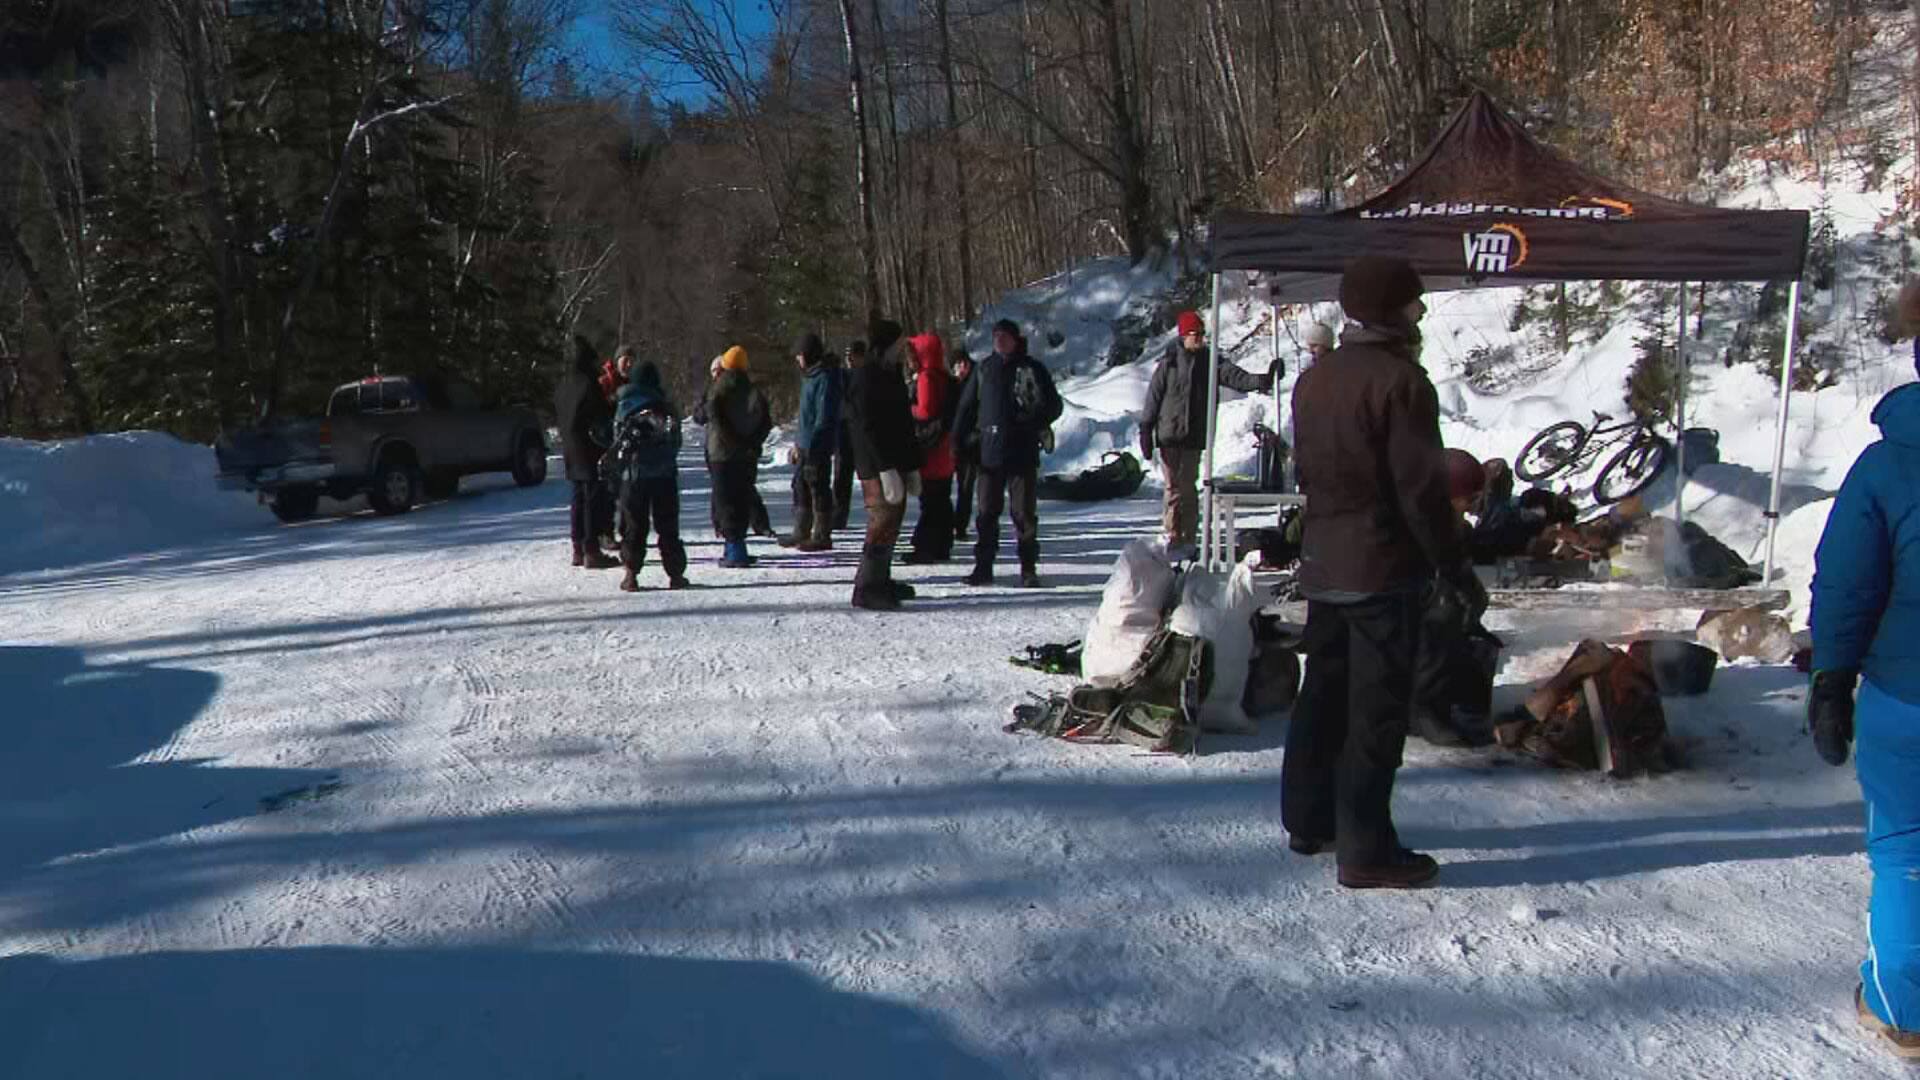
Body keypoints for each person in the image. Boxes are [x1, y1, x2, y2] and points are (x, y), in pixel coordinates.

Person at [1281, 255, 1482, 890]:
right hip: (1380, 567)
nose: (1420, 314)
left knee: (1323, 695)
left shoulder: (1315, 380)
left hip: (1324, 560)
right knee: (1376, 709)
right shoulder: (1402, 382)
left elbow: (1308, 474)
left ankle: (1310, 820)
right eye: (1414, 304)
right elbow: (1419, 491)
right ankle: (1366, 849)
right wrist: (1453, 564)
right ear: (1394, 310)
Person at [1812, 314, 1920, 1058]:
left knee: (1907, 851)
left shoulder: (1886, 469)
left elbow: (1848, 586)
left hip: (1909, 696)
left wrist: (1831, 677)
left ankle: (1903, 1009)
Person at [1138, 309, 1277, 556]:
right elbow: (1153, 397)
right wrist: (1146, 429)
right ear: (1183, 335)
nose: (1200, 338)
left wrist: (1261, 380)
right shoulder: (1169, 362)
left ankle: (1189, 537)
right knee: (1172, 489)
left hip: (1194, 436)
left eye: (1202, 334)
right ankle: (1171, 535)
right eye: (1195, 334)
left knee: (1188, 487)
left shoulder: (1209, 361)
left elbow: (1235, 376)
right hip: (1169, 435)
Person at [951, 318, 1063, 588]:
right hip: (989, 454)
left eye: (1005, 336)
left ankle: (1028, 568)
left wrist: (1032, 422)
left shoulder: (1032, 369)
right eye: (996, 336)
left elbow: (1054, 406)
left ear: (1016, 339)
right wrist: (958, 440)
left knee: (1023, 515)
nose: (1000, 341)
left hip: (1022, 454)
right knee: (986, 513)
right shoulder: (984, 370)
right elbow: (965, 409)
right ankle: (983, 567)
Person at [1410, 449, 1500, 748]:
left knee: (1476, 640)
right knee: (1443, 616)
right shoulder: (1416, 527)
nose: (1472, 505)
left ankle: (1459, 704)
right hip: (1408, 618)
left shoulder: (1455, 527)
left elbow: (1461, 573)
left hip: (1433, 612)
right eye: (1468, 497)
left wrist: (1472, 599)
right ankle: (1422, 709)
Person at [844, 317, 923, 610]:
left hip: (896, 461)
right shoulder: (865, 377)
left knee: (893, 520)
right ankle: (866, 586)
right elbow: (866, 428)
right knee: (881, 520)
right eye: (898, 345)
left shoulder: (890, 374)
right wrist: (884, 466)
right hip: (876, 466)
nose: (902, 350)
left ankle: (881, 579)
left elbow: (903, 424)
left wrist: (912, 464)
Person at [604, 360, 689, 592]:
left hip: (634, 475)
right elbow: (676, 442)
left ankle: (631, 574)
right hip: (664, 475)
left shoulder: (624, 406)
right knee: (668, 525)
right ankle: (675, 575)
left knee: (634, 526)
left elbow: (616, 441)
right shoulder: (665, 406)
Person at [703, 345, 773, 569]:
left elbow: (714, 418)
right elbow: (766, 421)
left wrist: (734, 442)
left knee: (725, 500)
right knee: (742, 499)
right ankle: (736, 546)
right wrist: (752, 443)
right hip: (747, 454)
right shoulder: (753, 390)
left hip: (722, 454)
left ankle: (734, 550)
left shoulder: (718, 389)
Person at [554, 335, 619, 569]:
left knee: (577, 497)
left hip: (570, 446)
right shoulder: (589, 382)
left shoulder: (563, 384)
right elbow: (600, 412)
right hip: (589, 445)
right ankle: (591, 549)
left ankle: (578, 548)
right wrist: (613, 404)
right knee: (593, 497)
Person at [782, 332, 841, 553]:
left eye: (799, 355)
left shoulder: (826, 377)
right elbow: (805, 415)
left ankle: (822, 534)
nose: (797, 360)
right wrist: (798, 443)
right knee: (800, 486)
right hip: (805, 443)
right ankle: (801, 530)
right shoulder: (808, 377)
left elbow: (823, 416)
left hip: (818, 443)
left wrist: (815, 445)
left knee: (818, 486)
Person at [903, 331, 956, 563]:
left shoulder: (925, 378)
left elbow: (925, 411)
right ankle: (942, 544)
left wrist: (909, 410)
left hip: (931, 449)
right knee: (941, 499)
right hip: (945, 447)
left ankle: (926, 546)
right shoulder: (943, 376)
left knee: (931, 501)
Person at [832, 341, 864, 532]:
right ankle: (838, 516)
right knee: (841, 476)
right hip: (844, 430)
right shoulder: (841, 376)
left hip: (861, 430)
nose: (849, 360)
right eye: (847, 356)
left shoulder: (866, 376)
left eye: (852, 355)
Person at [948, 347, 977, 544]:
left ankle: (960, 525)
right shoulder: (952, 385)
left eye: (962, 364)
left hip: (970, 443)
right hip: (952, 440)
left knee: (965, 486)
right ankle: (952, 523)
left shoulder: (976, 382)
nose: (960, 368)